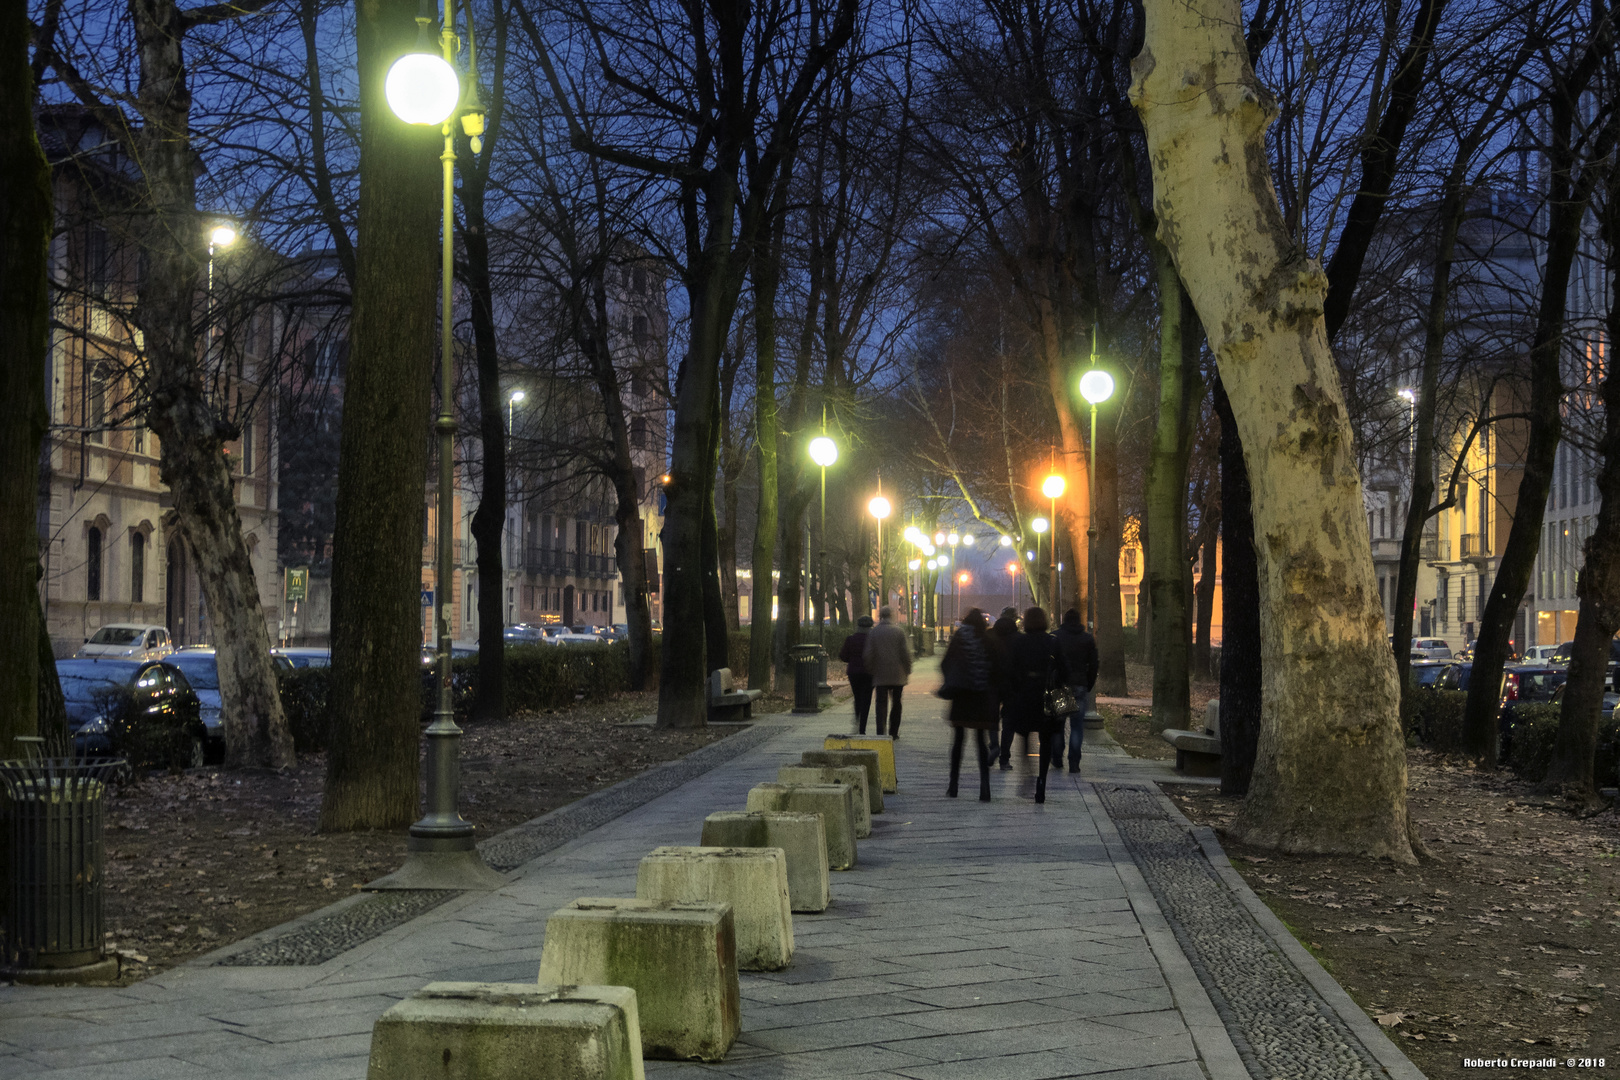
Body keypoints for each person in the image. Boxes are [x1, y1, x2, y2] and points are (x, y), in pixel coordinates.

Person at [1003, 606, 1071, 803]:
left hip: (1025, 695)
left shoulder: (1020, 642)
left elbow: (1011, 670)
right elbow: (1065, 670)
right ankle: (1041, 781)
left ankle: (1027, 772)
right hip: (1047, 695)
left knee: (1023, 735)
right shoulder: (1053, 642)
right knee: (1046, 739)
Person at [940, 608, 997, 800]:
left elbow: (945, 663)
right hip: (981, 697)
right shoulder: (987, 640)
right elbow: (995, 668)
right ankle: (985, 788)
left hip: (961, 696)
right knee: (981, 741)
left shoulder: (958, 639)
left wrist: (951, 680)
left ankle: (953, 785)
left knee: (958, 741)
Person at [1052, 609, 1100, 772]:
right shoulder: (1087, 639)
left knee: (1058, 725)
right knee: (1077, 726)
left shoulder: (1055, 637)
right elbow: (1094, 664)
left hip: (1060, 685)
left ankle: (1057, 757)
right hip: (1079, 684)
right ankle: (1074, 762)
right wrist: (1088, 683)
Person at [862, 606, 912, 738]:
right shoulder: (899, 632)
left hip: (880, 674)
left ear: (880, 616)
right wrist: (907, 669)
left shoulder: (874, 633)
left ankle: (881, 731)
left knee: (880, 703)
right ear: (891, 616)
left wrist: (871, 669)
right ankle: (893, 732)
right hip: (897, 674)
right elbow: (905, 654)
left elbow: (868, 654)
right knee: (896, 702)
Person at [988, 607, 1022, 767]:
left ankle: (994, 745)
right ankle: (1004, 758)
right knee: (1009, 722)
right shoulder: (1019, 639)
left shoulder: (990, 635)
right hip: (1012, 685)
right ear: (1014, 619)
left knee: (992, 718)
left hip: (992, 682)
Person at [840, 616, 876, 733]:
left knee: (857, 697)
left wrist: (852, 659)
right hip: (869, 672)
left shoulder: (851, 639)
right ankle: (862, 728)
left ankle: (857, 718)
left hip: (854, 673)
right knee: (867, 699)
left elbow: (843, 656)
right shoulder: (872, 640)